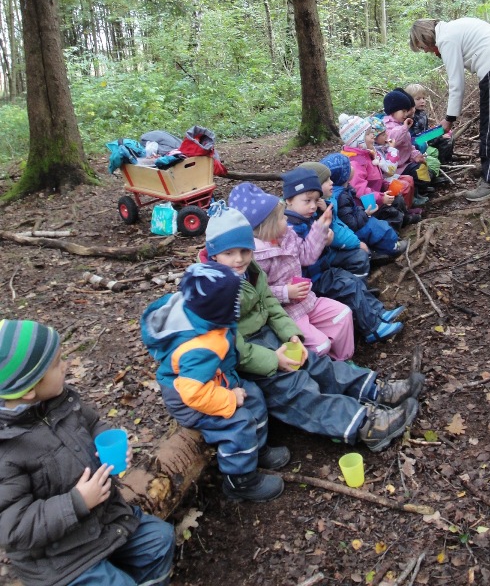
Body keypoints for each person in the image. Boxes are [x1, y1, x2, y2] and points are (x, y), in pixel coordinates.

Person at [200, 203, 423, 452]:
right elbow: (229, 343)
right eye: (229, 253)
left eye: (244, 250)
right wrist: (272, 359)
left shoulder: (250, 271)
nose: (239, 259)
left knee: (316, 364)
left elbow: (271, 304)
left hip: (268, 337)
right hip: (244, 358)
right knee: (294, 390)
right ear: (214, 254)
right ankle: (364, 424)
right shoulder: (213, 289)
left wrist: (291, 335)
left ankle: (373, 389)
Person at [0, 319, 175, 586]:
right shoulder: (7, 449)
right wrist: (76, 502)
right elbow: (13, 527)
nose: (66, 365)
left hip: (106, 519)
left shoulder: (60, 401)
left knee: (159, 540)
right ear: (29, 390)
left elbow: (92, 423)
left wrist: (108, 444)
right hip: (61, 557)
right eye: (58, 363)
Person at [141, 261, 288, 503]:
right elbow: (193, 393)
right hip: (189, 399)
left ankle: (257, 450)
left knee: (254, 395)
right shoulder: (201, 347)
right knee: (238, 424)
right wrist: (229, 398)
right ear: (221, 309)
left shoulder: (202, 313)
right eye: (234, 300)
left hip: (215, 378)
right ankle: (240, 480)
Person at [227, 183, 355, 361]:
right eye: (281, 218)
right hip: (286, 313)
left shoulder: (287, 235)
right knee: (320, 345)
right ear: (267, 225)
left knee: (343, 314)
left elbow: (306, 256)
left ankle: (344, 360)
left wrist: (319, 229)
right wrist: (285, 292)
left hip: (307, 300)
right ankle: (322, 370)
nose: (286, 220)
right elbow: (258, 293)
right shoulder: (253, 256)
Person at [284, 165, 406, 344]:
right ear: (289, 200)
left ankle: (378, 314)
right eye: (307, 201)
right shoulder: (291, 227)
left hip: (321, 269)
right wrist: (321, 238)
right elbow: (304, 257)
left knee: (352, 281)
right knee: (348, 285)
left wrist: (323, 220)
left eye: (315, 200)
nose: (312, 206)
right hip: (310, 280)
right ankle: (372, 329)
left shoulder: (305, 217)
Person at [409, 17, 490, 201]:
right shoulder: (455, 28)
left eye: (423, 47)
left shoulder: (445, 39)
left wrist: (449, 119)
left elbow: (456, 83)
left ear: (425, 37)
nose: (427, 51)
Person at [319, 152, 413, 258]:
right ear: (344, 175)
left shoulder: (342, 190)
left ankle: (380, 249)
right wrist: (365, 214)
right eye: (349, 166)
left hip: (357, 219)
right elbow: (351, 223)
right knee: (379, 228)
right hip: (355, 227)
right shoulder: (341, 196)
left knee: (379, 224)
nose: (352, 165)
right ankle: (393, 247)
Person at [382, 90, 433, 197]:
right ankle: (416, 193)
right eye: (403, 111)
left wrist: (416, 155)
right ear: (393, 110)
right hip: (396, 167)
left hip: (406, 163)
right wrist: (404, 128)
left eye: (407, 111)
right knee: (418, 171)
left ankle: (419, 191)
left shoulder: (401, 125)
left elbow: (408, 145)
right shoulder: (387, 125)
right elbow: (393, 139)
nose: (406, 114)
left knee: (424, 169)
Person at [405, 83, 453, 169]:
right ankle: (442, 164)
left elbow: (425, 130)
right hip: (417, 142)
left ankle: (446, 160)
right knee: (445, 140)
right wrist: (438, 134)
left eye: (423, 98)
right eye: (418, 99)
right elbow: (416, 137)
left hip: (424, 139)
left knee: (448, 135)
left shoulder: (423, 113)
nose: (422, 101)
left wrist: (436, 132)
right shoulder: (410, 116)